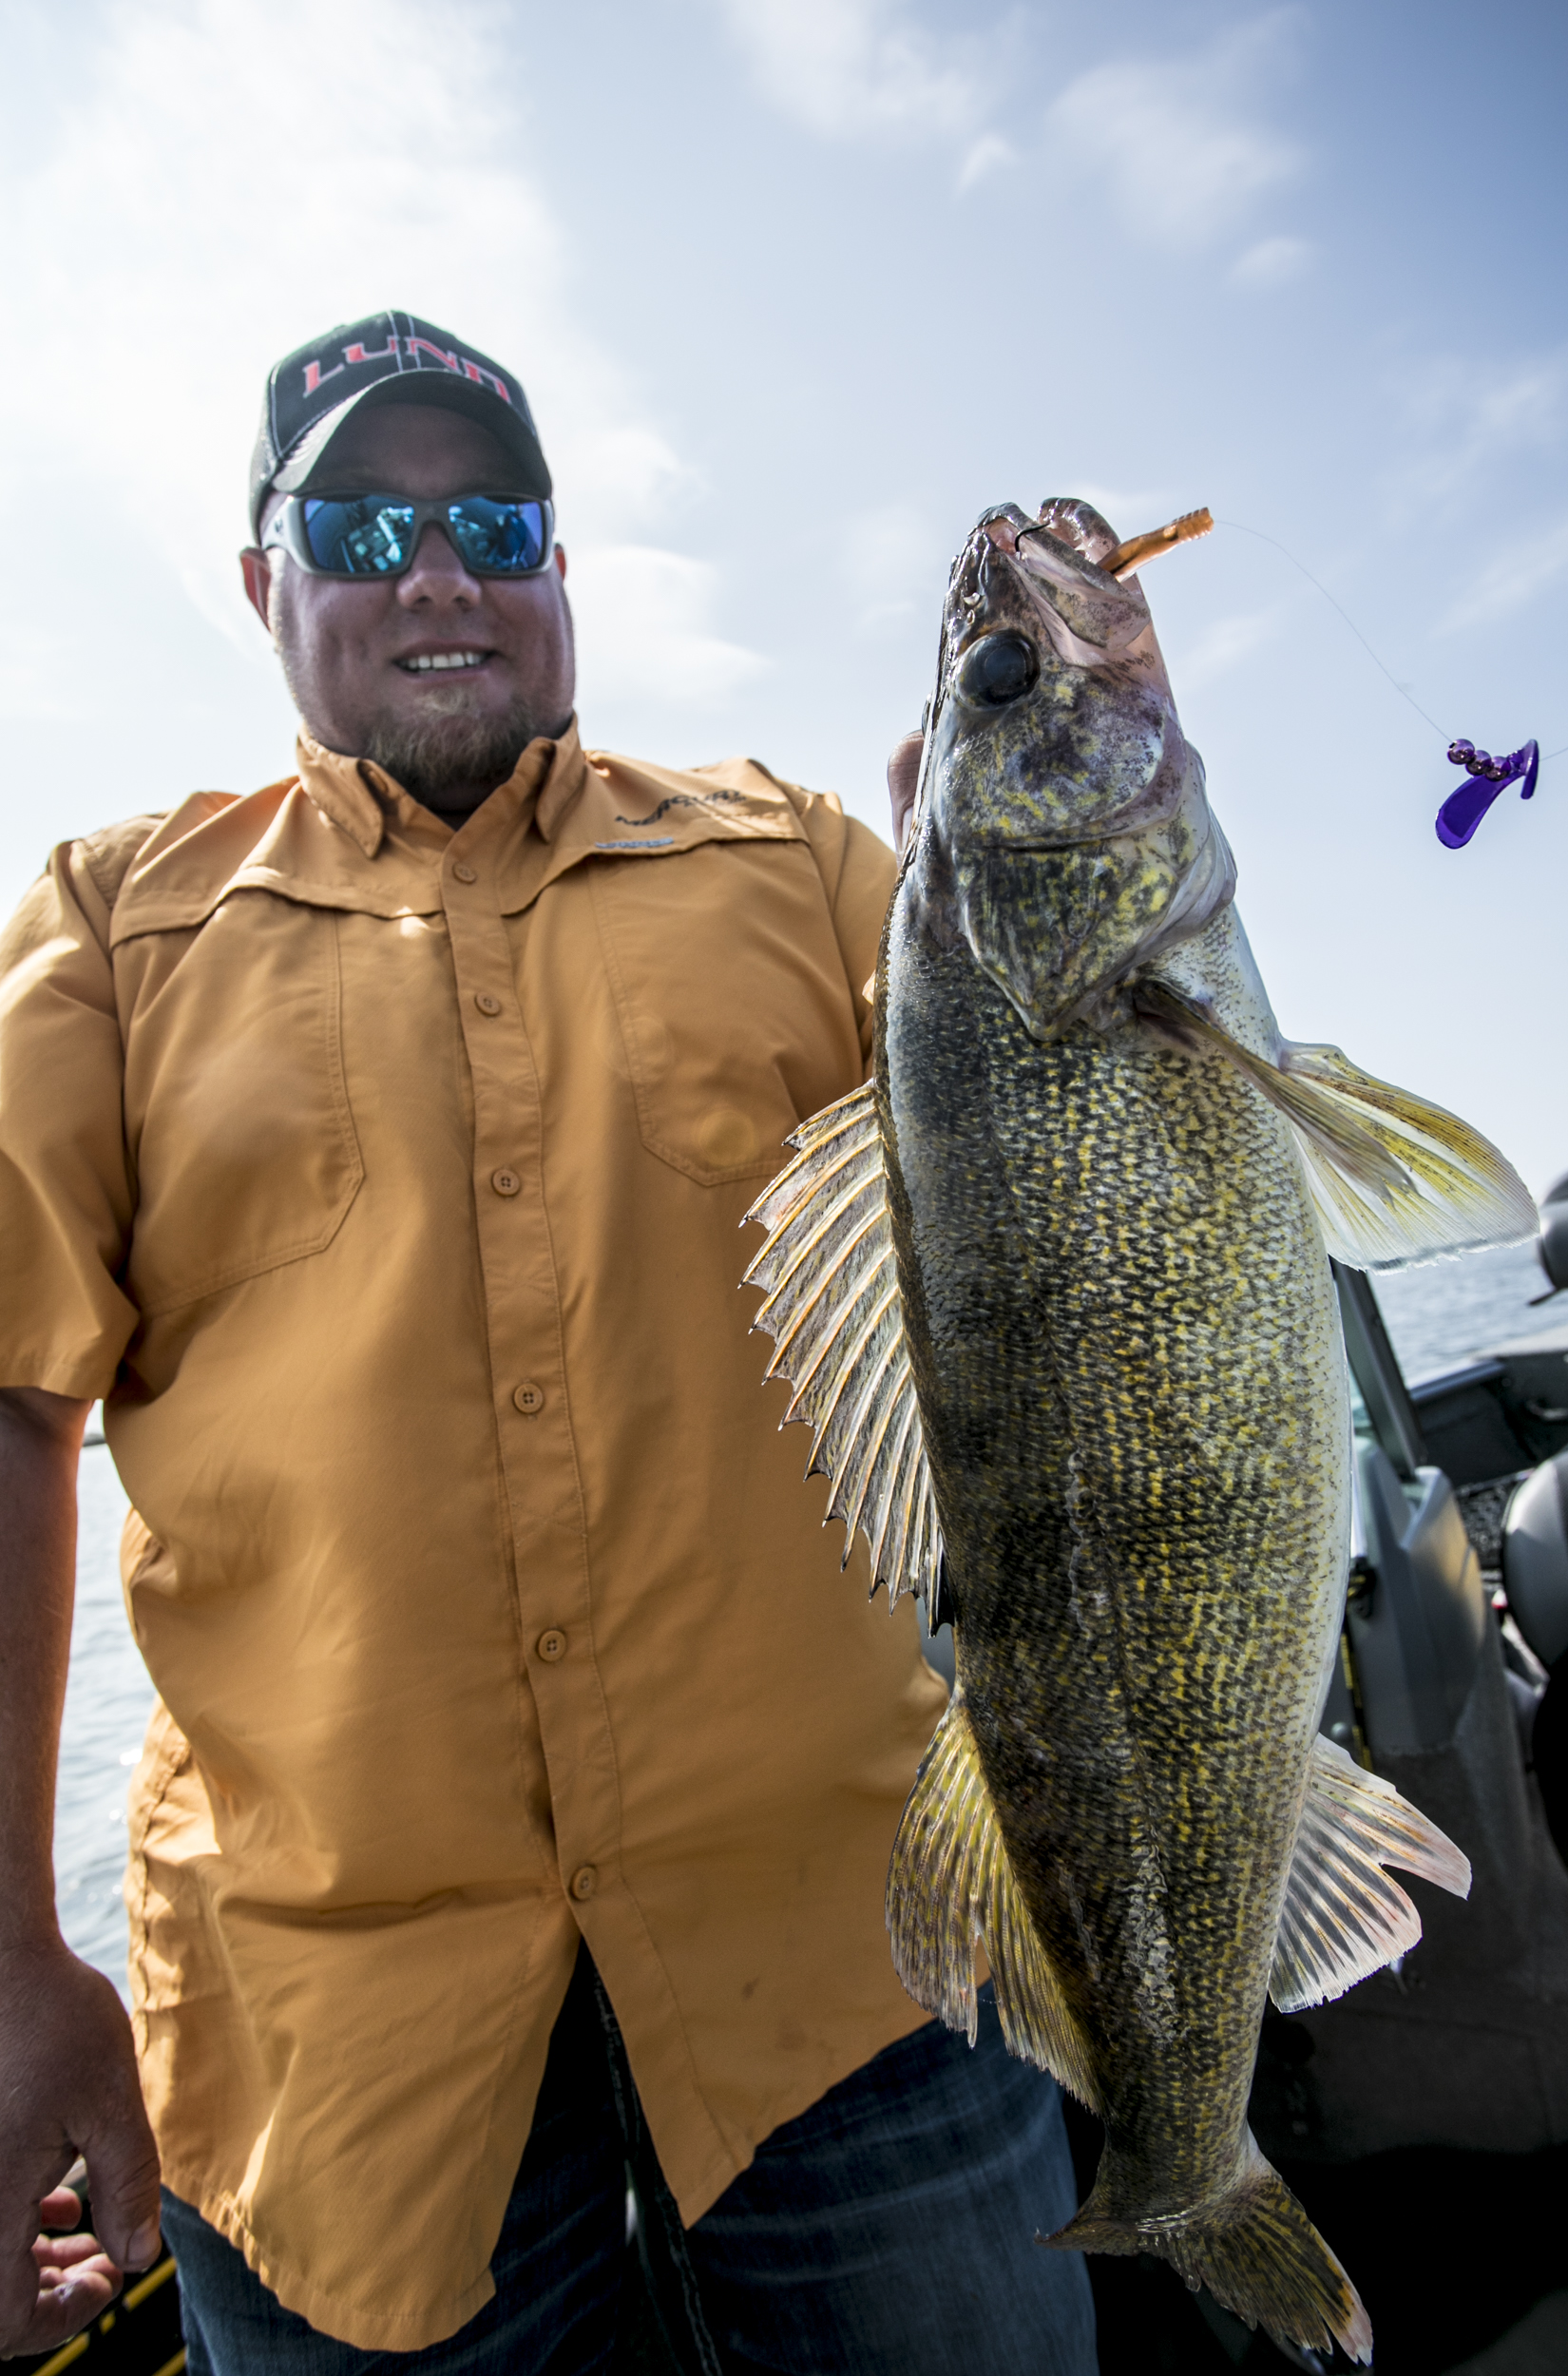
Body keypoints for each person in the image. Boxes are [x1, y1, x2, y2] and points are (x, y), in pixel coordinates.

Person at [0, 312, 1097, 2374]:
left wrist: (1027, 843)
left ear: (561, 566)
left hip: (867, 1962)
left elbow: (1066, 1171)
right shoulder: (105, 927)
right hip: (332, 2050)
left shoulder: (804, 861)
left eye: (493, 515)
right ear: (266, 582)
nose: (438, 568)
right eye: (362, 518)